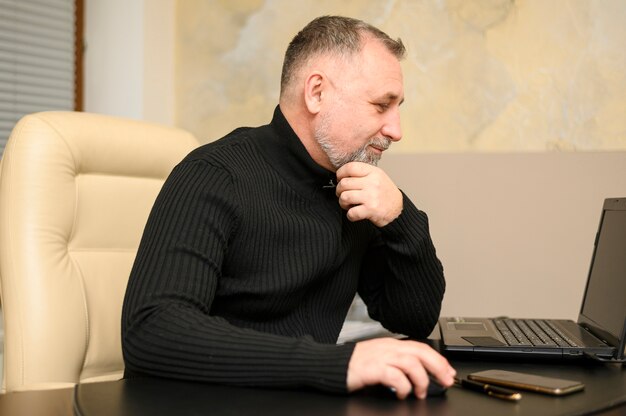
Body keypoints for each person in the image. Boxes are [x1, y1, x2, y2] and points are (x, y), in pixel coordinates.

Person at [121, 15, 456, 400]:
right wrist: (339, 364)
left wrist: (401, 219)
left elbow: (413, 318)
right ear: (316, 93)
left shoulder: (352, 185)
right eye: (382, 105)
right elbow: (152, 331)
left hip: (301, 398)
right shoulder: (213, 175)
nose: (396, 130)